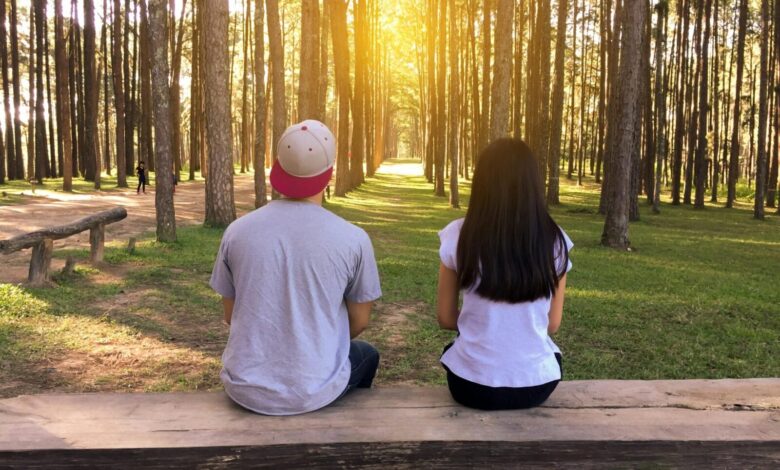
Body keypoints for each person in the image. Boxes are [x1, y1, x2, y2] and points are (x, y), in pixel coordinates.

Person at [210, 119, 382, 416]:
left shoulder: (237, 232)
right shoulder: (353, 239)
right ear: (329, 173)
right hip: (313, 390)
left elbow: (230, 315)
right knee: (367, 355)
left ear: (278, 167)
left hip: (244, 386)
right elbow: (360, 321)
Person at [436, 138, 573, 411]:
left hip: (470, 386)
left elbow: (445, 318)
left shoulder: (457, 235)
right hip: (536, 385)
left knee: (453, 353)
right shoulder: (556, 241)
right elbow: (552, 324)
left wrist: (482, 326)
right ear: (533, 186)